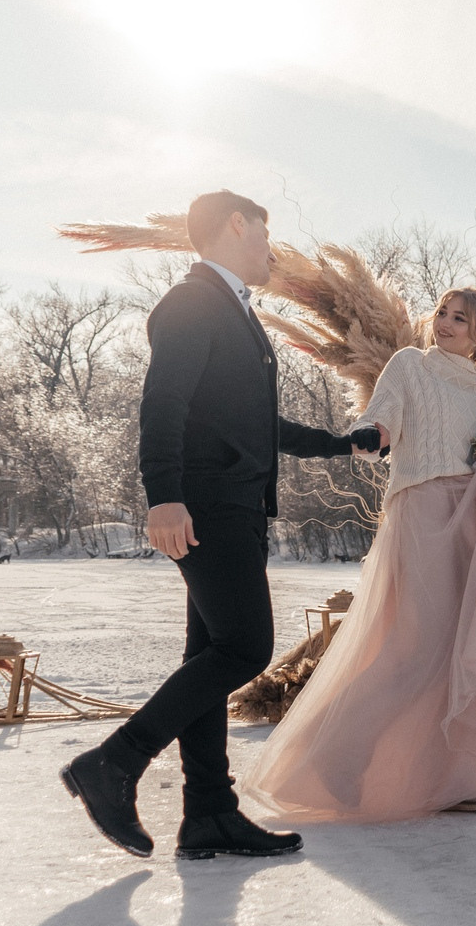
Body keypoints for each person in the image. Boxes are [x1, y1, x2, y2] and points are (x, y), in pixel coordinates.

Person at [61, 189, 378, 859]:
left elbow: (256, 423)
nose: (271, 248)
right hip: (207, 507)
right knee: (244, 648)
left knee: (208, 656)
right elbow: (163, 403)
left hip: (234, 505)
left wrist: (341, 444)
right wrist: (164, 496)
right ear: (238, 224)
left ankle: (209, 812)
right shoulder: (192, 302)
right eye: (265, 231)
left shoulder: (231, 309)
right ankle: (114, 762)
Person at [241, 286, 476, 822]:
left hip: (469, 518)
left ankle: (457, 778)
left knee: (463, 649)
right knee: (414, 648)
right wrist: (372, 433)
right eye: (442, 312)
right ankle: (334, 757)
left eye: (459, 319)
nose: (444, 323)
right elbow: (385, 419)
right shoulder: (409, 365)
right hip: (420, 514)